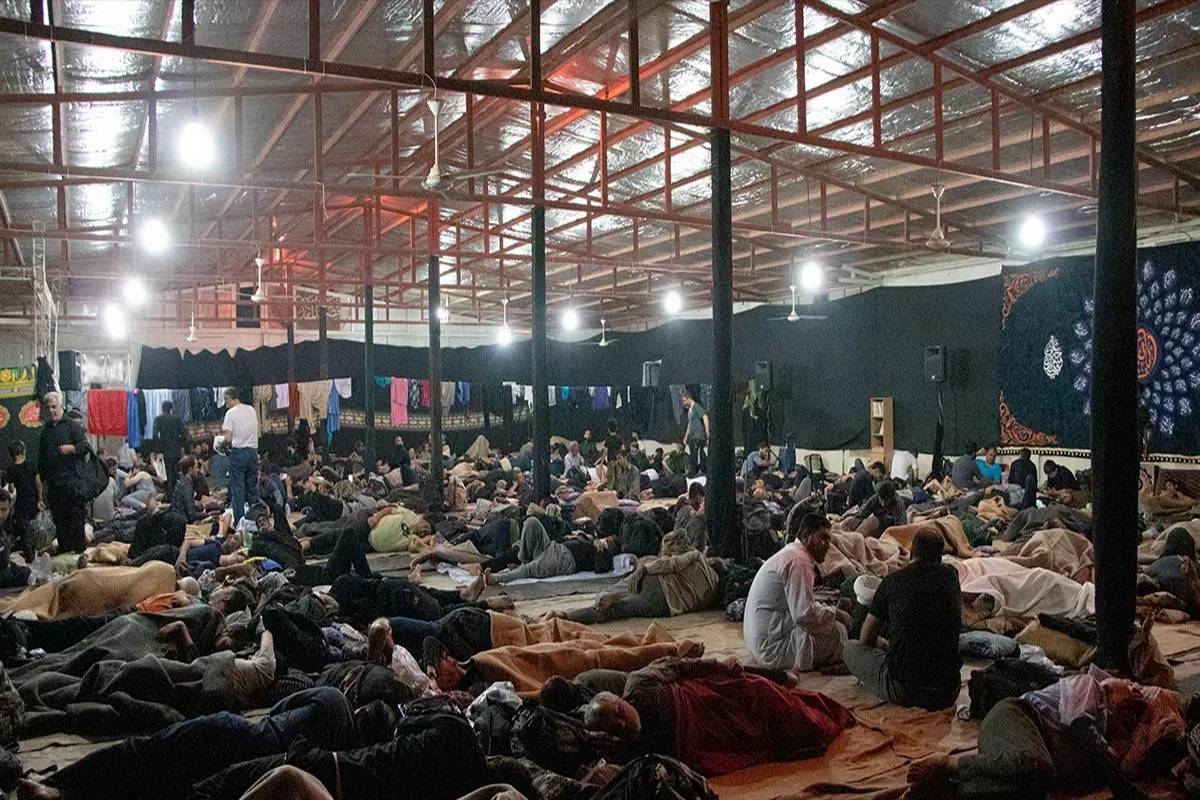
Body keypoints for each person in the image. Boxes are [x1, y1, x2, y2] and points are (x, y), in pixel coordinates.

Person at [17, 687, 364, 800]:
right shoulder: (337, 756)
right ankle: (60, 791)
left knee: (145, 755)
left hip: (236, 736)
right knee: (154, 778)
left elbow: (275, 714)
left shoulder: (333, 699)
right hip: (246, 767)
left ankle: (57, 786)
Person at [578, 657, 852, 777]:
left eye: (619, 712)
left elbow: (679, 665)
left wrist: (719, 665)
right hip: (710, 742)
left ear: (621, 700)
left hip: (711, 700)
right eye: (613, 726)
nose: (621, 722)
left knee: (760, 691)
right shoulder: (627, 752)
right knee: (764, 736)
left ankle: (788, 686)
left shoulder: (639, 684)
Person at [843, 527, 961, 709]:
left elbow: (865, 638)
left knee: (850, 648)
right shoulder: (951, 579)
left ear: (912, 552)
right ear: (939, 557)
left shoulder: (893, 581)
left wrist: (883, 643)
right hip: (949, 690)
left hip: (906, 690)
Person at [743, 512, 849, 671]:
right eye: (823, 538)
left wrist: (830, 612)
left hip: (760, 642)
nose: (828, 545)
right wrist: (835, 614)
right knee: (839, 631)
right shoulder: (800, 561)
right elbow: (803, 615)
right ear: (806, 536)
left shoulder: (792, 553)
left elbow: (802, 608)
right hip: (772, 650)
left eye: (829, 540)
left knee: (827, 622)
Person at [36, 391, 89, 553]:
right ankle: (65, 551)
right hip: (54, 487)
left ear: (61, 406)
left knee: (76, 520)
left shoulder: (71, 426)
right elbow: (42, 461)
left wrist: (71, 448)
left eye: (54, 406)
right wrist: (42, 489)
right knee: (60, 522)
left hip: (72, 484)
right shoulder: (45, 432)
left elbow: (85, 447)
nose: (51, 410)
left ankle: (79, 554)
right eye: (48, 408)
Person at [221, 388, 260, 525]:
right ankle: (256, 520)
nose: (225, 404)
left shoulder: (230, 414)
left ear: (231, 397)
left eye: (226, 399)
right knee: (252, 489)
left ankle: (240, 524)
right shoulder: (251, 410)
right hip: (253, 453)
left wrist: (221, 444)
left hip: (239, 454)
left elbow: (228, 438)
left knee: (238, 490)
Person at [4, 440, 38, 561]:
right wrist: (39, 499)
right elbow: (38, 483)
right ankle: (32, 550)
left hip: (21, 503)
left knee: (24, 528)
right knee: (29, 527)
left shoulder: (11, 469)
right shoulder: (32, 465)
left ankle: (29, 554)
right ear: (24, 451)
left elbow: (11, 488)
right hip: (33, 500)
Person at [152, 400, 189, 499]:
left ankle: (169, 497)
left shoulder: (158, 419)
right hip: (176, 451)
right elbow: (184, 435)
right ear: (171, 409)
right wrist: (178, 442)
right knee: (176, 474)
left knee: (167, 475)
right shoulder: (177, 419)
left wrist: (158, 449)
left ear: (162, 408)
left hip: (164, 451)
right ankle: (177, 496)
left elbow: (155, 435)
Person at [0, 490, 31, 587]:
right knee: (26, 574)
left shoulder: (6, 525)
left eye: (3, 510)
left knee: (27, 571)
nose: (0, 515)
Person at [681, 390, 709, 475]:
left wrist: (707, 430)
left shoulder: (696, 406)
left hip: (698, 436)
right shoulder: (690, 411)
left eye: (685, 400)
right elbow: (690, 424)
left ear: (689, 398)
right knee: (692, 455)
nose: (684, 403)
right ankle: (693, 471)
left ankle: (700, 470)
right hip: (692, 437)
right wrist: (686, 436)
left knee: (698, 454)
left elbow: (705, 417)